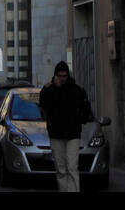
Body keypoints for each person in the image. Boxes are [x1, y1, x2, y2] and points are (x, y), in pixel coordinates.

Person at [39, 62, 93, 193]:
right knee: (60, 168)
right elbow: (45, 106)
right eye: (60, 75)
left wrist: (76, 120)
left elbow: (86, 110)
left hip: (73, 134)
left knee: (72, 167)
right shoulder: (48, 89)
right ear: (55, 75)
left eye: (65, 75)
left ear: (68, 75)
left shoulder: (77, 90)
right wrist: (55, 89)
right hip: (56, 134)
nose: (62, 78)